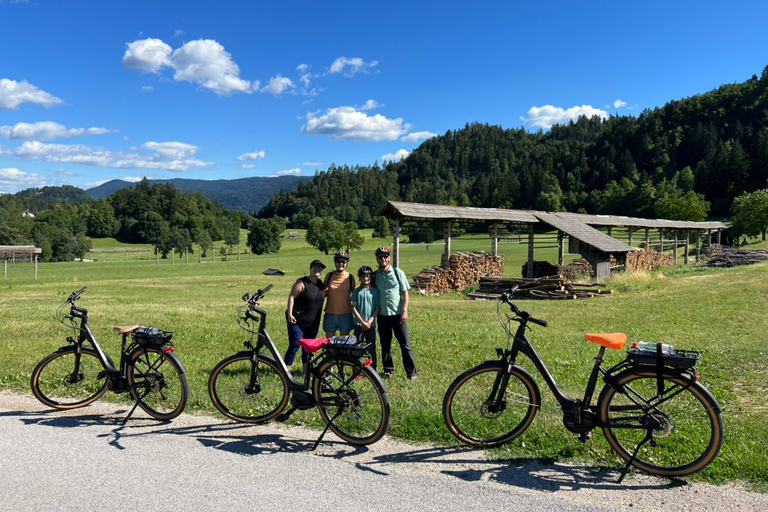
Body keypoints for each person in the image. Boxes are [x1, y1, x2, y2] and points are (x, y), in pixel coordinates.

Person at [374, 246, 418, 380]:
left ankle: (412, 373)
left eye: (385, 256)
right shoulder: (375, 275)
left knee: (405, 345)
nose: (383, 259)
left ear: (389, 257)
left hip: (398, 315)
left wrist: (404, 311)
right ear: (377, 259)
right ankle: (388, 370)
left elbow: (405, 292)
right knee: (385, 345)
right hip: (382, 316)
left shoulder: (398, 272)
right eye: (380, 257)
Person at [285, 259, 326, 369]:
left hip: (313, 322)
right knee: (295, 345)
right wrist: (290, 313)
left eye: (320, 268)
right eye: (315, 267)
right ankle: (286, 370)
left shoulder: (320, 284)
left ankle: (306, 370)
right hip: (297, 320)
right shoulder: (302, 282)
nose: (317, 269)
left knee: (308, 347)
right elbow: (292, 297)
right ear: (310, 268)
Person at [351, 265, 380, 369]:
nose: (366, 279)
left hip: (371, 324)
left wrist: (370, 321)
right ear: (360, 278)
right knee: (357, 348)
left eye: (368, 276)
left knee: (371, 347)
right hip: (358, 324)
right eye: (363, 277)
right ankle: (357, 370)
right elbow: (353, 307)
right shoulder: (357, 291)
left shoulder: (375, 291)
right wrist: (363, 322)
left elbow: (377, 308)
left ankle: (373, 369)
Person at [322, 251, 356, 339]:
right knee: (329, 343)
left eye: (343, 262)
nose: (341, 264)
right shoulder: (329, 276)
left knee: (343, 343)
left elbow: (354, 294)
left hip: (345, 314)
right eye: (338, 261)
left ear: (347, 263)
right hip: (330, 313)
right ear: (335, 263)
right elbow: (322, 291)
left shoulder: (350, 278)